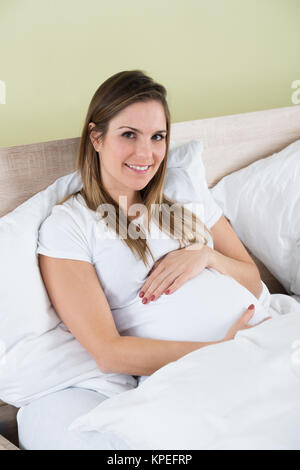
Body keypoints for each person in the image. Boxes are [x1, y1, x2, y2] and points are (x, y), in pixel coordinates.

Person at [17, 70, 270, 450]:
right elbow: (108, 352)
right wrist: (221, 353)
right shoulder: (70, 225)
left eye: (158, 137)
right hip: (210, 368)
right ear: (96, 137)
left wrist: (205, 256)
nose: (145, 153)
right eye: (128, 135)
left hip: (268, 338)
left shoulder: (183, 193)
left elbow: (252, 279)